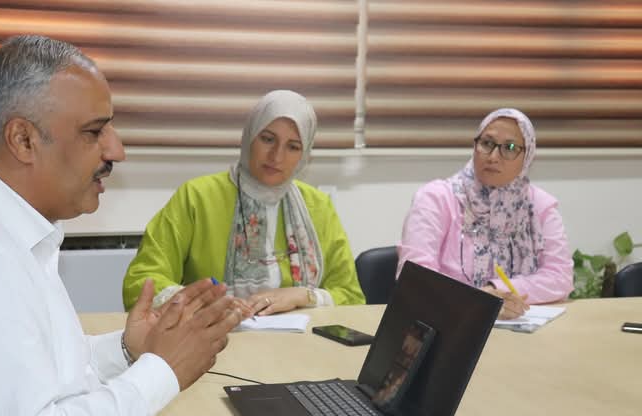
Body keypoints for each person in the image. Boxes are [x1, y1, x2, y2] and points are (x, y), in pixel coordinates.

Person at [0, 35, 251, 416]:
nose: (117, 150)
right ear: (22, 139)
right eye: (94, 132)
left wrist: (129, 351)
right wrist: (163, 371)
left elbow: (37, 378)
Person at [123, 90, 365, 314]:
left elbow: (351, 296)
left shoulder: (318, 207)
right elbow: (142, 282)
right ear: (249, 136)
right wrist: (200, 303)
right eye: (268, 139)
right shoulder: (197, 197)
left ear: (305, 155)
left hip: (299, 340)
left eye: (293, 147)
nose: (277, 156)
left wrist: (303, 296)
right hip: (210, 337)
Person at [396, 108, 573, 319]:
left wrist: (497, 290)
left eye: (509, 148)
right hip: (449, 322)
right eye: (487, 143)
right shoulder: (436, 198)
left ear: (527, 157)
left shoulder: (539, 207)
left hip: (521, 325)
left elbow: (560, 277)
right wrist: (480, 301)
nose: (494, 157)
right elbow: (416, 279)